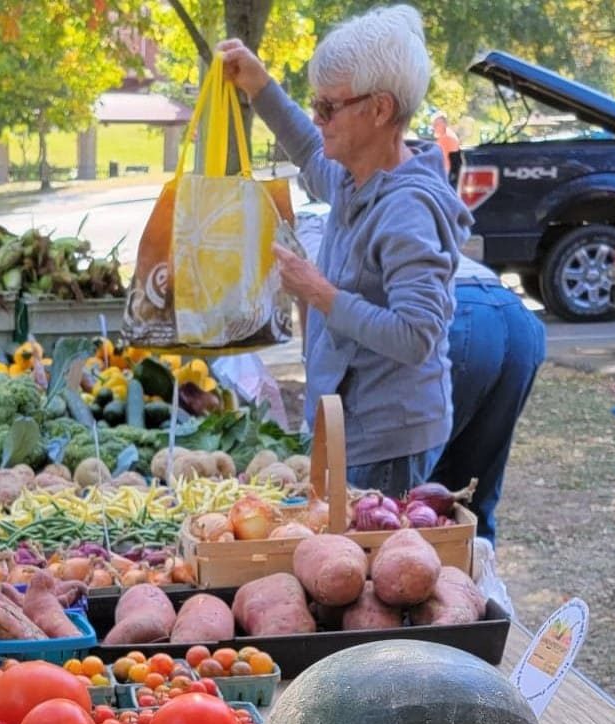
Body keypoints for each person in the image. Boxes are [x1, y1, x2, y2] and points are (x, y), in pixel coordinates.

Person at [220, 5, 470, 495]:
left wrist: (321, 294)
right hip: (351, 428)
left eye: (328, 108)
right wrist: (260, 87)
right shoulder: (355, 178)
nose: (317, 118)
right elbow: (312, 151)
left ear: (379, 110)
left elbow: (416, 335)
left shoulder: (407, 210)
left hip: (385, 443)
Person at [429, 257, 546, 545]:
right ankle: (476, 582)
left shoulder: (313, 227)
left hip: (458, 311)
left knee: (403, 495)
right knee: (472, 491)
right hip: (514, 312)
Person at [432, 114, 461, 179]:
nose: (434, 127)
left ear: (444, 124)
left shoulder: (446, 137)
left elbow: (438, 157)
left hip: (445, 174)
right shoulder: (448, 135)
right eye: (433, 125)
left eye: (436, 124)